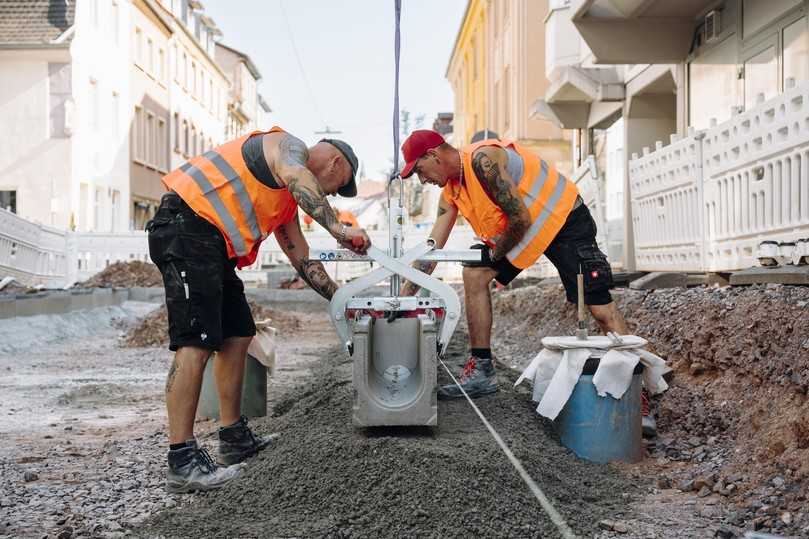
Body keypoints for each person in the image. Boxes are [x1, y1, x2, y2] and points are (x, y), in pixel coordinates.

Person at [147, 126, 371, 493]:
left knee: (238, 335)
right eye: (337, 184)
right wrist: (341, 231)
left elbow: (303, 261)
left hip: (212, 244)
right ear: (333, 162)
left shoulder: (285, 200)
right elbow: (302, 179)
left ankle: (233, 437)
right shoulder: (287, 147)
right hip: (185, 226)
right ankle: (182, 459)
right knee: (196, 342)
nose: (331, 193)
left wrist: (345, 301)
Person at [395, 130, 656, 432]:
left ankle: (640, 399)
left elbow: (520, 219)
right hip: (523, 230)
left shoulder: (483, 161)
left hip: (562, 220)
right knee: (474, 273)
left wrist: (496, 254)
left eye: (418, 170)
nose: (420, 179)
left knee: (599, 309)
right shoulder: (452, 191)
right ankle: (482, 369)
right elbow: (432, 250)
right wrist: (404, 295)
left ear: (433, 155)